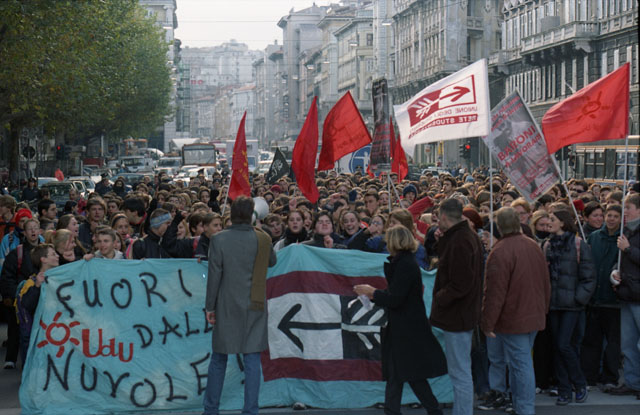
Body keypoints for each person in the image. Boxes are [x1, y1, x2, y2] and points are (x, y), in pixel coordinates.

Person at [354, 225, 446, 415]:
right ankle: (422, 410)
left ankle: (429, 410)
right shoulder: (404, 263)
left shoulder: (404, 265)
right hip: (405, 328)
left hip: (407, 329)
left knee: (407, 374)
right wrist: (373, 294)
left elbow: (395, 298)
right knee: (403, 374)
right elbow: (395, 294)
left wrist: (373, 293)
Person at [203, 196, 277, 415]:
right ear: (252, 214)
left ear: (232, 214)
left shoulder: (218, 239)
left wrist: (210, 307)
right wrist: (260, 230)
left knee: (219, 357)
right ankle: (250, 410)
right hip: (255, 304)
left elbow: (214, 277)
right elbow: (272, 262)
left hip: (226, 305)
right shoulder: (262, 238)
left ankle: (211, 409)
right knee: (252, 358)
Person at [481, 207, 551, 415]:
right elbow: (545, 281)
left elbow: (494, 292)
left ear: (499, 226)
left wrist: (487, 322)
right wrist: (544, 308)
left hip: (513, 317)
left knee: (520, 365)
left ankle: (524, 408)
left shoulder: (500, 251)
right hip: (532, 313)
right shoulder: (533, 245)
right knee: (521, 363)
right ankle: (521, 405)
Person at [430, 197, 483, 415]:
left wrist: (440, 298)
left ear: (443, 216)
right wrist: (441, 240)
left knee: (460, 372)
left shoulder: (461, 240)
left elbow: (461, 283)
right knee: (460, 371)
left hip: (458, 315)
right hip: (461, 313)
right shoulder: (463, 236)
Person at [544, 207, 596, 405]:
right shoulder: (548, 245)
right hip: (554, 304)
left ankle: (579, 383)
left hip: (571, 305)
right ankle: (564, 389)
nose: (549, 222)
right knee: (558, 347)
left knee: (564, 344)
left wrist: (578, 299)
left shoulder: (578, 244)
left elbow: (589, 277)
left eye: (552, 219)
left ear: (563, 222)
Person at [581, 204, 622, 390]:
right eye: (609, 215)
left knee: (613, 343)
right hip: (595, 298)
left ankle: (610, 377)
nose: (611, 219)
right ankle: (589, 376)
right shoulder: (595, 237)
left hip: (613, 300)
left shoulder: (623, 239)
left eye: (615, 216)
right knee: (591, 340)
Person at [609, 194, 640, 399]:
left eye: (628, 207)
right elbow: (620, 260)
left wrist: (628, 249)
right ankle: (632, 382)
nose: (624, 212)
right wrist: (614, 272)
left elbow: (629, 253)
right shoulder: (625, 230)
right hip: (627, 294)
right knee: (628, 344)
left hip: (638, 294)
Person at [0, 218, 41, 369]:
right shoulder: (17, 253)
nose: (33, 231)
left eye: (35, 228)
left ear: (40, 231)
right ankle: (12, 358)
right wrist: (12, 295)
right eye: (30, 228)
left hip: (38, 296)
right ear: (24, 232)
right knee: (16, 328)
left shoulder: (46, 250)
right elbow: (7, 276)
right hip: (20, 297)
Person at [15, 244, 59, 364]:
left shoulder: (59, 278)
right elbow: (27, 305)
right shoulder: (32, 282)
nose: (58, 256)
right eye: (53, 254)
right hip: (40, 334)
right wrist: (37, 286)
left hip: (56, 332)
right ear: (43, 259)